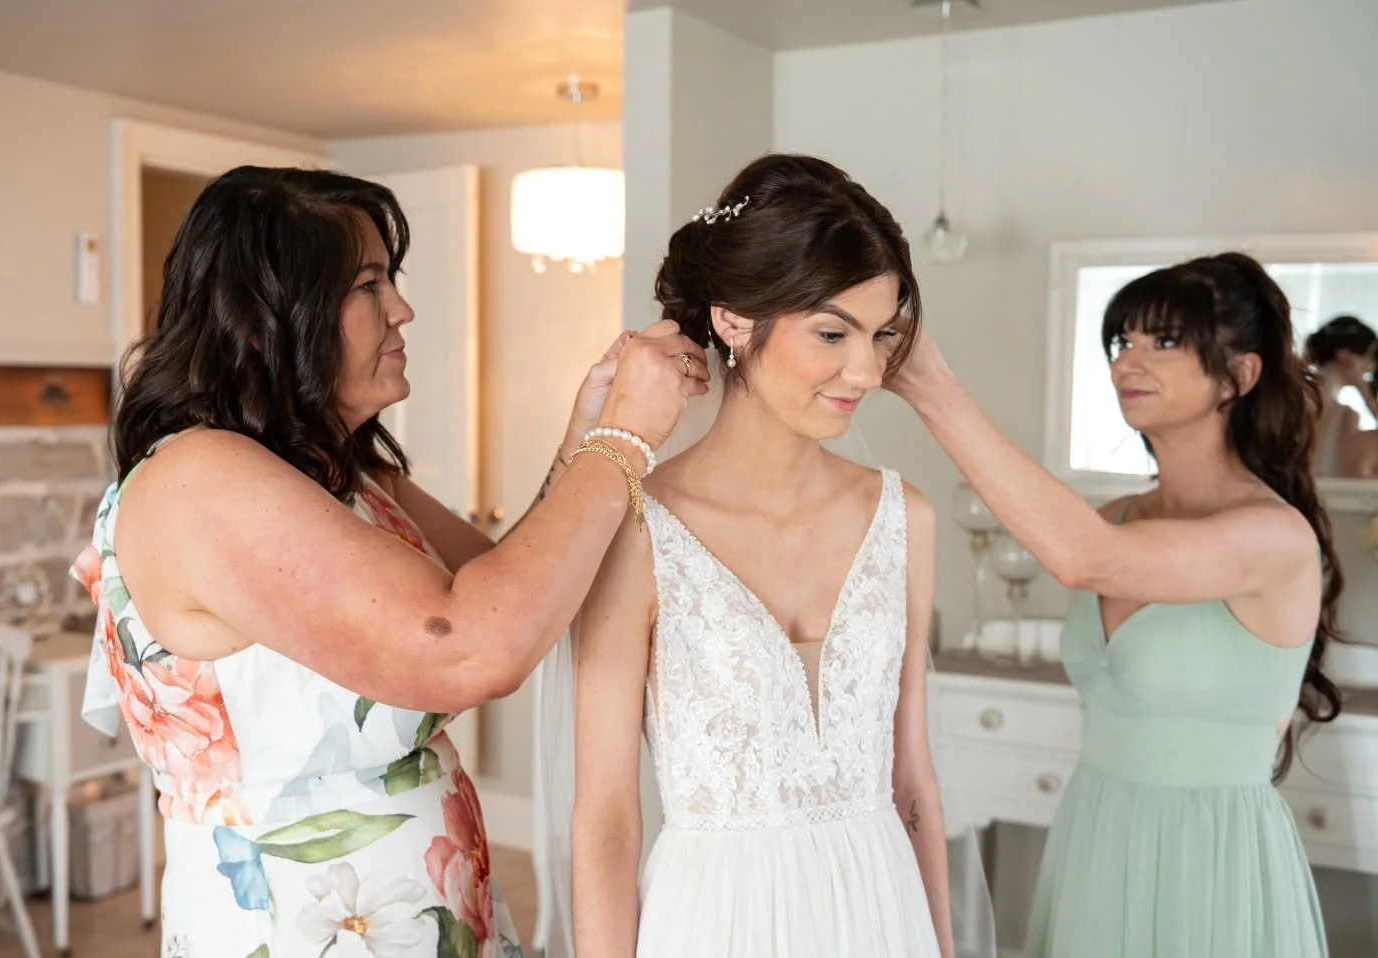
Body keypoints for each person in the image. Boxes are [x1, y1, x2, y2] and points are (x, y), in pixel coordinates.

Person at [69, 165, 706, 958]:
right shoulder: (200, 478)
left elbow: (508, 587)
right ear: (266, 319)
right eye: (369, 285)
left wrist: (585, 434)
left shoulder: (345, 472)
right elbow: (473, 647)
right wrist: (625, 439)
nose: (402, 310)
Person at [887, 252, 1341, 958]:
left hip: (1208, 862)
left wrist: (932, 387)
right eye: (1123, 340)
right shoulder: (1120, 516)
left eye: (1165, 341)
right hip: (1096, 836)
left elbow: (1082, 558)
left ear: (1241, 375)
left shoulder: (1273, 537)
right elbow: (1079, 543)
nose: (1129, 360)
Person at [568, 154, 962, 958]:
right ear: (734, 321)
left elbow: (912, 783)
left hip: (882, 915)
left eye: (881, 334)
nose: (867, 370)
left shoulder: (906, 520)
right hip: (716, 923)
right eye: (833, 333)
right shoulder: (637, 529)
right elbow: (606, 817)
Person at [1304, 313, 1378, 477]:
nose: (1370, 368)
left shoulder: (1295, 398)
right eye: (1369, 358)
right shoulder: (1345, 415)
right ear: (1345, 356)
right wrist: (1363, 389)